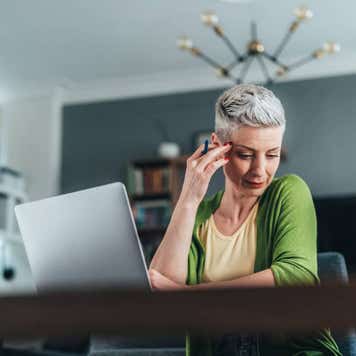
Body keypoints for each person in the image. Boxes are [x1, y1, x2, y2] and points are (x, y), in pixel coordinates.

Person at [149, 84, 341, 355]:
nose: (260, 171)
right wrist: (188, 198)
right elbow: (161, 288)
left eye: (272, 154)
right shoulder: (198, 215)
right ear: (218, 148)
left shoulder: (289, 192)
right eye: (246, 155)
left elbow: (296, 277)